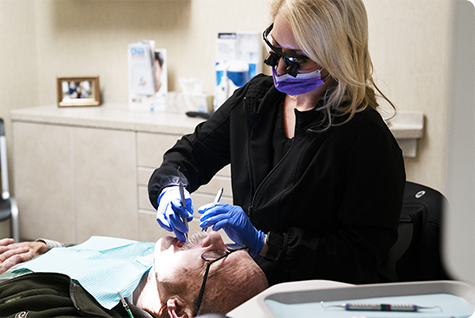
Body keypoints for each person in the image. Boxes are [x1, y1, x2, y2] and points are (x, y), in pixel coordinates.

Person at [148, 0, 406, 286]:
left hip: (315, 296)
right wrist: (171, 186)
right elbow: (192, 153)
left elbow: (360, 257)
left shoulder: (364, 139)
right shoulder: (255, 100)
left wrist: (268, 243)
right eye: (275, 52)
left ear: (337, 57)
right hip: (253, 282)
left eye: (297, 59)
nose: (280, 68)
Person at [0, 232, 268, 318]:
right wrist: (44, 248)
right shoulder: (155, 260)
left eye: (213, 258)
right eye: (231, 247)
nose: (214, 236)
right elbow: (82, 252)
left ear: (175, 310)